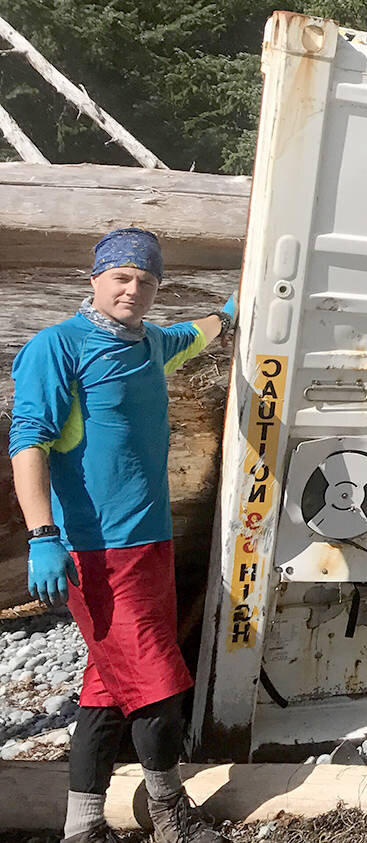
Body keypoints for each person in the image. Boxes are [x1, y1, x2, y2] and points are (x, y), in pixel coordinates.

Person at [9, 228, 237, 843]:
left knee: (109, 684)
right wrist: (42, 534)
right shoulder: (56, 348)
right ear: (96, 279)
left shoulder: (149, 343)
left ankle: (82, 824)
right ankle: (168, 814)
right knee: (158, 680)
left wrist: (232, 310)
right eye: (121, 277)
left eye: (145, 280)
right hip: (96, 548)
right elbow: (27, 441)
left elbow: (196, 334)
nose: (132, 289)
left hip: (151, 542)